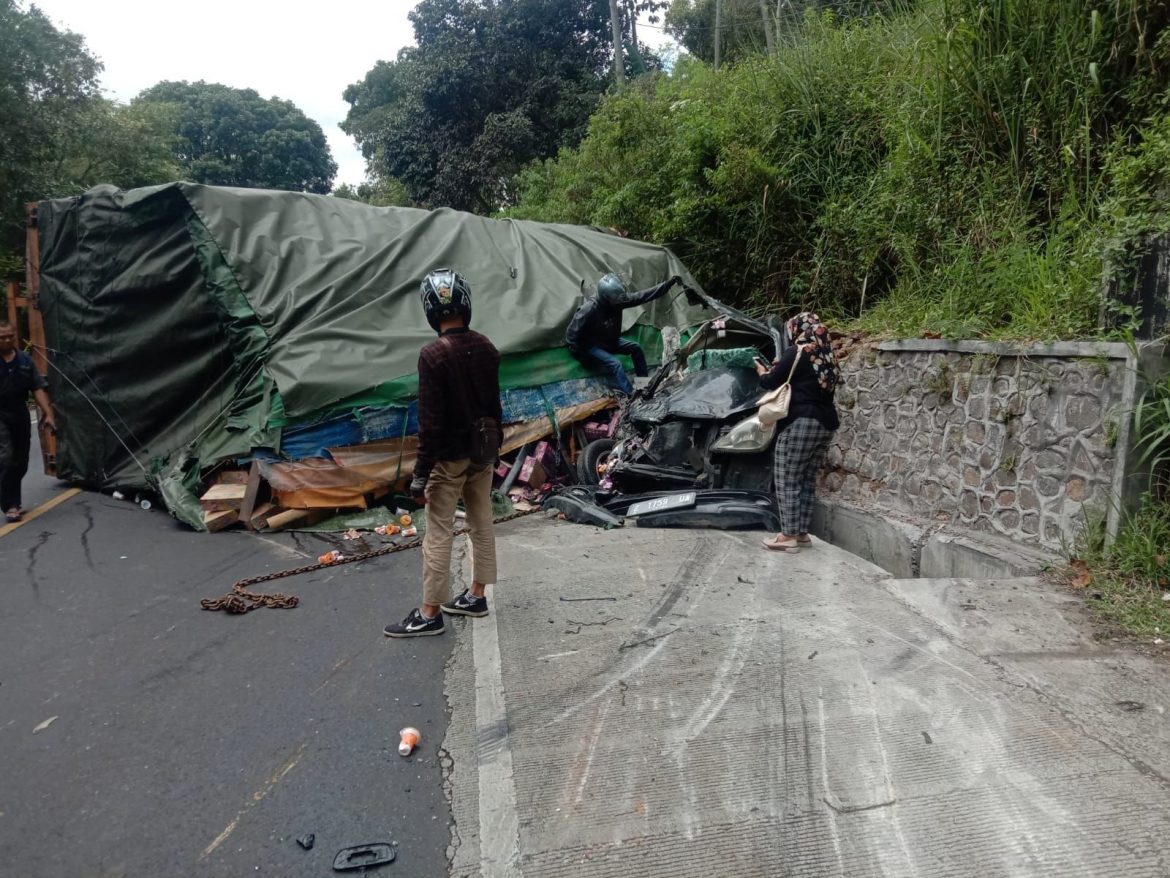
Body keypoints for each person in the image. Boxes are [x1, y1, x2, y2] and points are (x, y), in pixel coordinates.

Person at [384, 269, 503, 638]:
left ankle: (429, 613)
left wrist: (419, 476)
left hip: (449, 460)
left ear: (430, 310)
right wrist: (495, 451)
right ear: (466, 303)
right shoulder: (487, 346)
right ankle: (477, 596)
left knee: (438, 532)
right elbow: (496, 407)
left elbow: (430, 424)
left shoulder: (432, 355)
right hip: (483, 453)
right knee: (482, 523)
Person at [755, 312, 839, 553]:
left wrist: (762, 371)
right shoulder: (827, 355)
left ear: (796, 330)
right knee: (806, 479)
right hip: (826, 424)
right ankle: (801, 533)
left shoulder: (799, 351)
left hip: (801, 421)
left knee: (787, 477)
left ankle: (788, 535)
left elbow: (771, 382)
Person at [565, 273, 683, 396]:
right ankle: (632, 395)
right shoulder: (589, 309)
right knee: (616, 364)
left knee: (636, 348)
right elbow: (571, 334)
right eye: (616, 298)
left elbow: (642, 296)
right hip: (592, 346)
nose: (620, 301)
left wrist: (668, 284)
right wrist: (582, 353)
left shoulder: (617, 301)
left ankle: (643, 386)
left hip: (610, 341)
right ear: (606, 297)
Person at [0, 322, 55, 522]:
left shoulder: (24, 360)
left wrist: (48, 413)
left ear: (14, 336)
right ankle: (9, 504)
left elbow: (37, 387)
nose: (6, 340)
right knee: (6, 457)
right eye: (2, 337)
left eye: (9, 336)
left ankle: (13, 498)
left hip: (20, 412)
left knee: (21, 461)